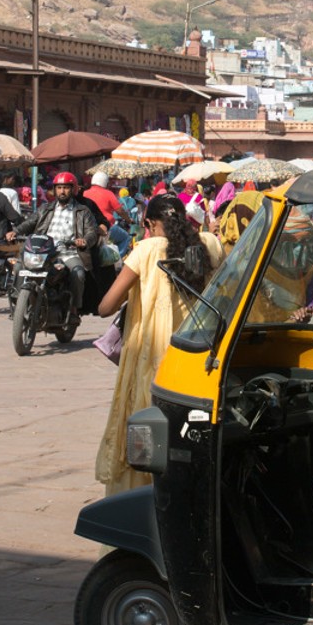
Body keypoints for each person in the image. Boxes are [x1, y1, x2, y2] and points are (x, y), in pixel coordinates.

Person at [95, 193, 223, 496]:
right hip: (198, 358)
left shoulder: (146, 250)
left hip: (152, 361)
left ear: (149, 223)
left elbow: (105, 307)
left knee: (147, 433)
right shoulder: (210, 245)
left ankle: (141, 499)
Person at [12, 171, 99, 315]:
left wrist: (84, 241)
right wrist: (16, 231)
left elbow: (92, 231)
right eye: (59, 188)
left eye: (66, 188)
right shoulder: (45, 208)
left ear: (73, 189)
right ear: (55, 190)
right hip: (43, 252)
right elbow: (30, 222)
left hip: (69, 253)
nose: (62, 191)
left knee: (78, 274)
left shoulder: (83, 211)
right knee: (19, 266)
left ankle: (74, 308)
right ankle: (18, 302)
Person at [84, 170, 132, 255]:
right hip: (107, 227)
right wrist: (128, 220)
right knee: (126, 237)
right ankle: (118, 260)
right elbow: (120, 210)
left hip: (88, 227)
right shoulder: (108, 193)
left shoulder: (85, 193)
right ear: (105, 182)